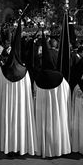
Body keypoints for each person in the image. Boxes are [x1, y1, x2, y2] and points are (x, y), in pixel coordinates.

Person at [0, 19, 37, 156]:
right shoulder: (25, 72)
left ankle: (5, 142)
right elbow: (28, 93)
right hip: (20, 107)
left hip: (5, 106)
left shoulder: (1, 71)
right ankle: (20, 143)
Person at [33, 30, 71, 158]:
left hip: (42, 110)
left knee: (44, 125)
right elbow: (66, 94)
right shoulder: (60, 78)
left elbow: (34, 96)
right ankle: (57, 147)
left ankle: (42, 147)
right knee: (56, 125)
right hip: (56, 109)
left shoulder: (38, 78)